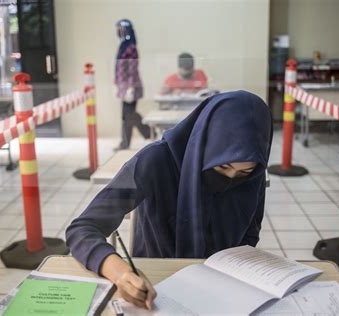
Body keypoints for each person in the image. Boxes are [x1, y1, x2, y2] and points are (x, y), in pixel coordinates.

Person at [66, 90, 273, 309]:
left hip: (224, 283)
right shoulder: (154, 161)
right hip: (155, 283)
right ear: (205, 142)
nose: (231, 178)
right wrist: (120, 272)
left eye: (244, 172)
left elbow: (251, 234)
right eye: (222, 166)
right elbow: (82, 228)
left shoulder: (254, 175)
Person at [114, 19, 151, 150]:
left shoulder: (131, 47)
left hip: (131, 87)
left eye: (121, 29)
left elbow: (132, 68)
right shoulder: (124, 45)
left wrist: (130, 87)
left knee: (128, 115)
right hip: (124, 87)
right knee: (127, 115)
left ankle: (148, 132)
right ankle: (129, 141)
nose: (118, 31)